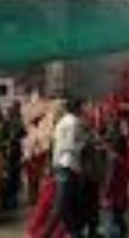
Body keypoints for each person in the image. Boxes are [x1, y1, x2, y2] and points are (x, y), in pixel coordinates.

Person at [45, 97, 84, 238]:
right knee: (61, 206)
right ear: (77, 108)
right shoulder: (74, 122)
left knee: (70, 206)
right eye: (82, 107)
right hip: (68, 166)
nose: (83, 110)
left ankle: (74, 233)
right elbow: (70, 145)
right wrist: (84, 144)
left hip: (61, 165)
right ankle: (45, 235)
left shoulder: (61, 121)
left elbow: (56, 145)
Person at [102, 129, 129, 238]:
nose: (106, 144)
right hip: (121, 196)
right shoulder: (122, 158)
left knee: (113, 225)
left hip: (114, 197)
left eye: (108, 142)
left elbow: (110, 178)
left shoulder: (113, 158)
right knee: (118, 221)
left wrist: (105, 194)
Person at [2, 101, 26, 211]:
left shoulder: (9, 121)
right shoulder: (16, 121)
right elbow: (23, 133)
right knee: (12, 177)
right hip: (13, 151)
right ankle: (10, 201)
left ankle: (10, 201)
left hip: (11, 151)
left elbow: (22, 133)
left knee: (11, 176)